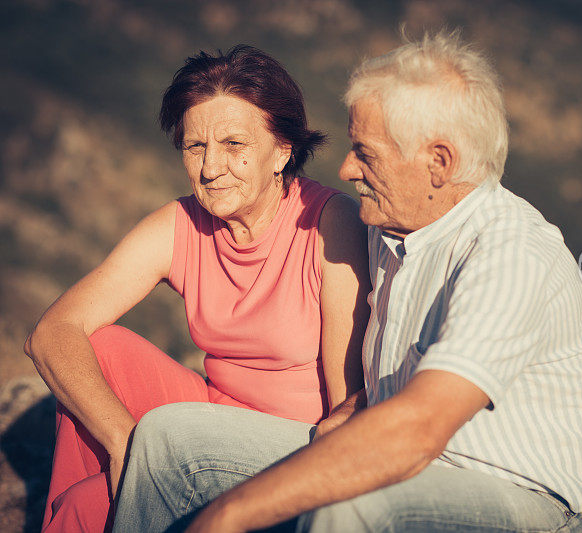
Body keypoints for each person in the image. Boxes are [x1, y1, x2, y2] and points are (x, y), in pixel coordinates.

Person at [113, 32, 582, 533]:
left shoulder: (512, 254)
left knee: (352, 507)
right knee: (167, 438)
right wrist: (356, 408)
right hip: (411, 466)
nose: (345, 167)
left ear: (438, 163)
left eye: (366, 153)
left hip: (536, 502)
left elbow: (422, 426)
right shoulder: (388, 232)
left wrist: (231, 513)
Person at [23, 45, 370, 532]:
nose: (210, 168)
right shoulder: (181, 224)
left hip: (292, 440)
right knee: (99, 347)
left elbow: (347, 406)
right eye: (195, 147)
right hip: (212, 411)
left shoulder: (331, 225)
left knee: (87, 507)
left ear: (283, 151)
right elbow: (52, 332)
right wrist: (127, 445)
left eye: (234, 145)